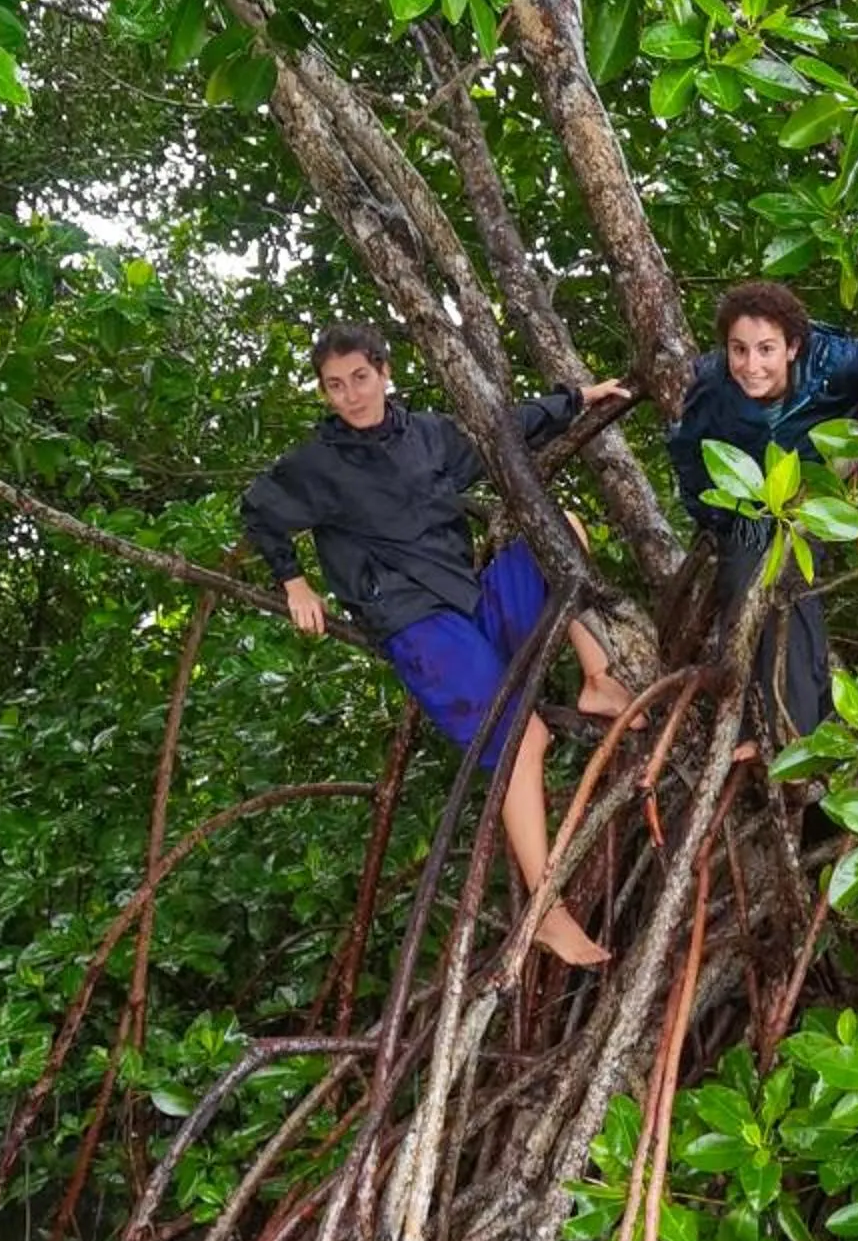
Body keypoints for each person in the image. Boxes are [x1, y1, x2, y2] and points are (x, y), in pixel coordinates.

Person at [243, 322, 631, 967]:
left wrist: (576, 399)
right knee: (522, 739)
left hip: (469, 603)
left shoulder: (427, 435)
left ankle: (598, 677)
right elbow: (260, 511)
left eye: (359, 378)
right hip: (414, 622)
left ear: (384, 372)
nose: (350, 396)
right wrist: (294, 583)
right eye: (334, 386)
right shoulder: (317, 463)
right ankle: (546, 911)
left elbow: (505, 429)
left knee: (562, 525)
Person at [666, 281, 858, 749]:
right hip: (752, 502)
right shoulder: (713, 383)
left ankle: (793, 742)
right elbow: (687, 454)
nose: (751, 365)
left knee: (787, 592)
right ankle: (771, 733)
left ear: (793, 347)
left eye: (766, 349)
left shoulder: (829, 360)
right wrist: (722, 519)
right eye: (739, 350)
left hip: (815, 492)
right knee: (744, 594)